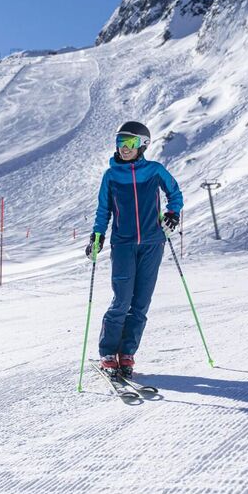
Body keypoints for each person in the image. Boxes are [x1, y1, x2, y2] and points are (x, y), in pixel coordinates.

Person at [86, 121, 182, 378]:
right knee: (122, 300)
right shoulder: (111, 175)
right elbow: (103, 210)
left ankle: (127, 353)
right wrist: (97, 236)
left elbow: (175, 192)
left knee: (140, 303)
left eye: (129, 143)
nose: (123, 148)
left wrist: (173, 213)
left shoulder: (154, 171)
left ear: (142, 145)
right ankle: (108, 352)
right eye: (120, 142)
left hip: (153, 243)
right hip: (123, 244)